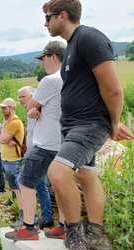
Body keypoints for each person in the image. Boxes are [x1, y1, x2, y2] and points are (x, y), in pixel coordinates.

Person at [42, 1, 134, 249]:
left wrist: (114, 123)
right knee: (85, 175)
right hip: (74, 125)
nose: (45, 23)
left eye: (48, 18)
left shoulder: (89, 38)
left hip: (89, 123)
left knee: (58, 173)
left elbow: (113, 89)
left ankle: (75, 235)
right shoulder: (72, 45)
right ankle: (97, 235)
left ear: (62, 15)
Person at [5, 41, 66, 241]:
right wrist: (37, 108)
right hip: (65, 142)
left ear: (54, 57)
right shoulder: (72, 77)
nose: (42, 64)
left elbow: (32, 104)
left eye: (44, 59)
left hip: (46, 143)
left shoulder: (50, 80)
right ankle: (65, 226)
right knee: (61, 185)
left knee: (24, 180)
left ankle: (29, 227)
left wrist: (35, 107)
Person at [17, 86, 55, 230]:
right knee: (41, 186)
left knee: (21, 181)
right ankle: (46, 219)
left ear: (33, 96)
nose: (21, 100)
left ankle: (30, 222)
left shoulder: (38, 109)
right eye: (19, 97)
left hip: (40, 154)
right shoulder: (29, 112)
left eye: (23, 97)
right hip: (33, 154)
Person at [0, 98, 25, 224]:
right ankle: (21, 213)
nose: (2, 110)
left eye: (5, 108)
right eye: (2, 108)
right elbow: (2, 138)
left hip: (14, 160)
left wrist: (3, 135)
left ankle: (23, 216)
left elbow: (2, 139)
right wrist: (4, 137)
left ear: (12, 108)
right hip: (6, 159)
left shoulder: (14, 122)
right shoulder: (7, 121)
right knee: (14, 187)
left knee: (18, 189)